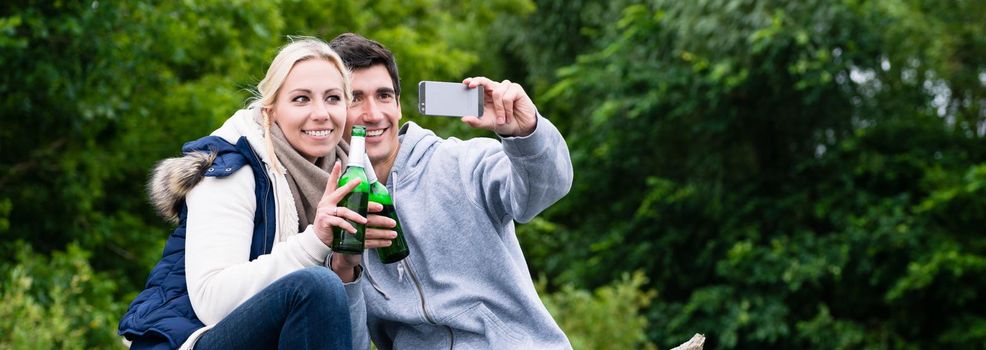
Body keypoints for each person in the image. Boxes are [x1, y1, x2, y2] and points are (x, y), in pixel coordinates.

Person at [118, 37, 389, 350]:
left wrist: (345, 267)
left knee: (325, 284)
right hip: (191, 340)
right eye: (301, 99)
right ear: (271, 111)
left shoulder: (350, 178)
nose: (321, 113)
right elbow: (212, 303)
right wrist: (315, 242)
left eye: (333, 98)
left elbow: (350, 345)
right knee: (317, 284)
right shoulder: (230, 170)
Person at [329, 33, 574, 349]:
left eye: (384, 96)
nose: (374, 114)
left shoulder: (461, 163)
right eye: (355, 98)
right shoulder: (330, 209)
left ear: (399, 106)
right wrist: (344, 268)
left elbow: (547, 188)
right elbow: (352, 342)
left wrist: (525, 132)